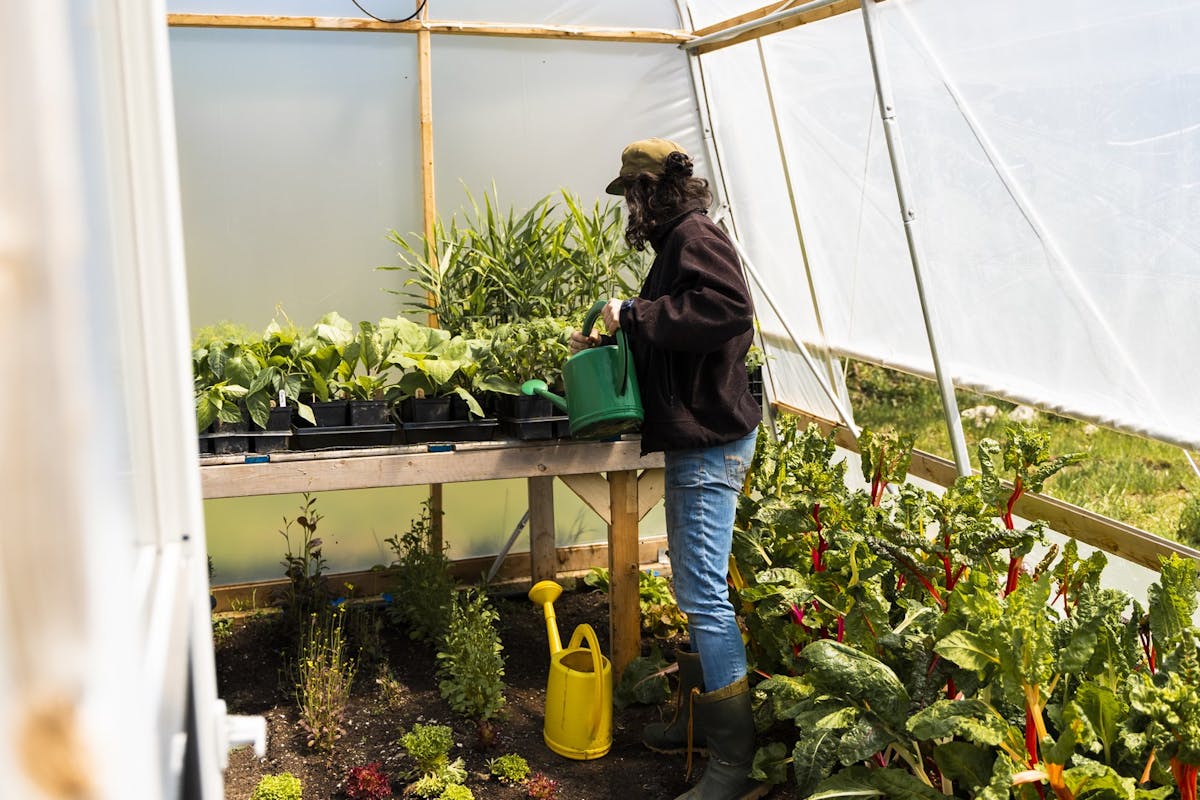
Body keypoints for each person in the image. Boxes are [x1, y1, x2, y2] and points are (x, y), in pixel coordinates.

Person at [572, 138, 765, 800]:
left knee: (705, 596)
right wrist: (617, 331)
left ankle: (732, 763)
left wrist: (636, 312)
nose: (628, 208)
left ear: (652, 191)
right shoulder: (677, 244)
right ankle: (699, 721)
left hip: (711, 445)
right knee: (695, 589)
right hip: (700, 440)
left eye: (631, 195)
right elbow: (681, 330)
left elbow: (729, 310)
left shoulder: (692, 235)